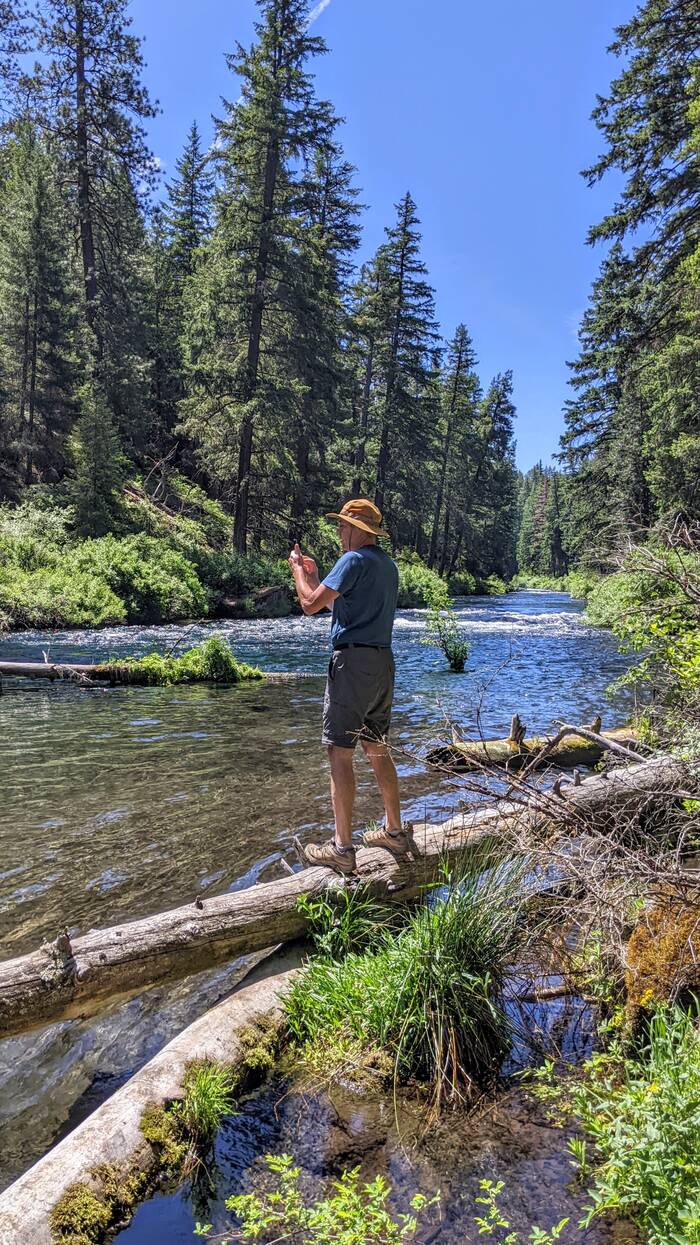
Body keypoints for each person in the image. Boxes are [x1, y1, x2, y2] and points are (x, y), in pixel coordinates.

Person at [288, 498, 409, 874]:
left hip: (352, 664)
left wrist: (297, 571)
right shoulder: (386, 565)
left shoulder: (352, 560)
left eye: (343, 525)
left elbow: (309, 605)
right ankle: (394, 831)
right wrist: (315, 579)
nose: (339, 531)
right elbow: (337, 606)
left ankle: (342, 848)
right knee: (376, 747)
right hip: (381, 664)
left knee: (339, 753)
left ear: (359, 530)